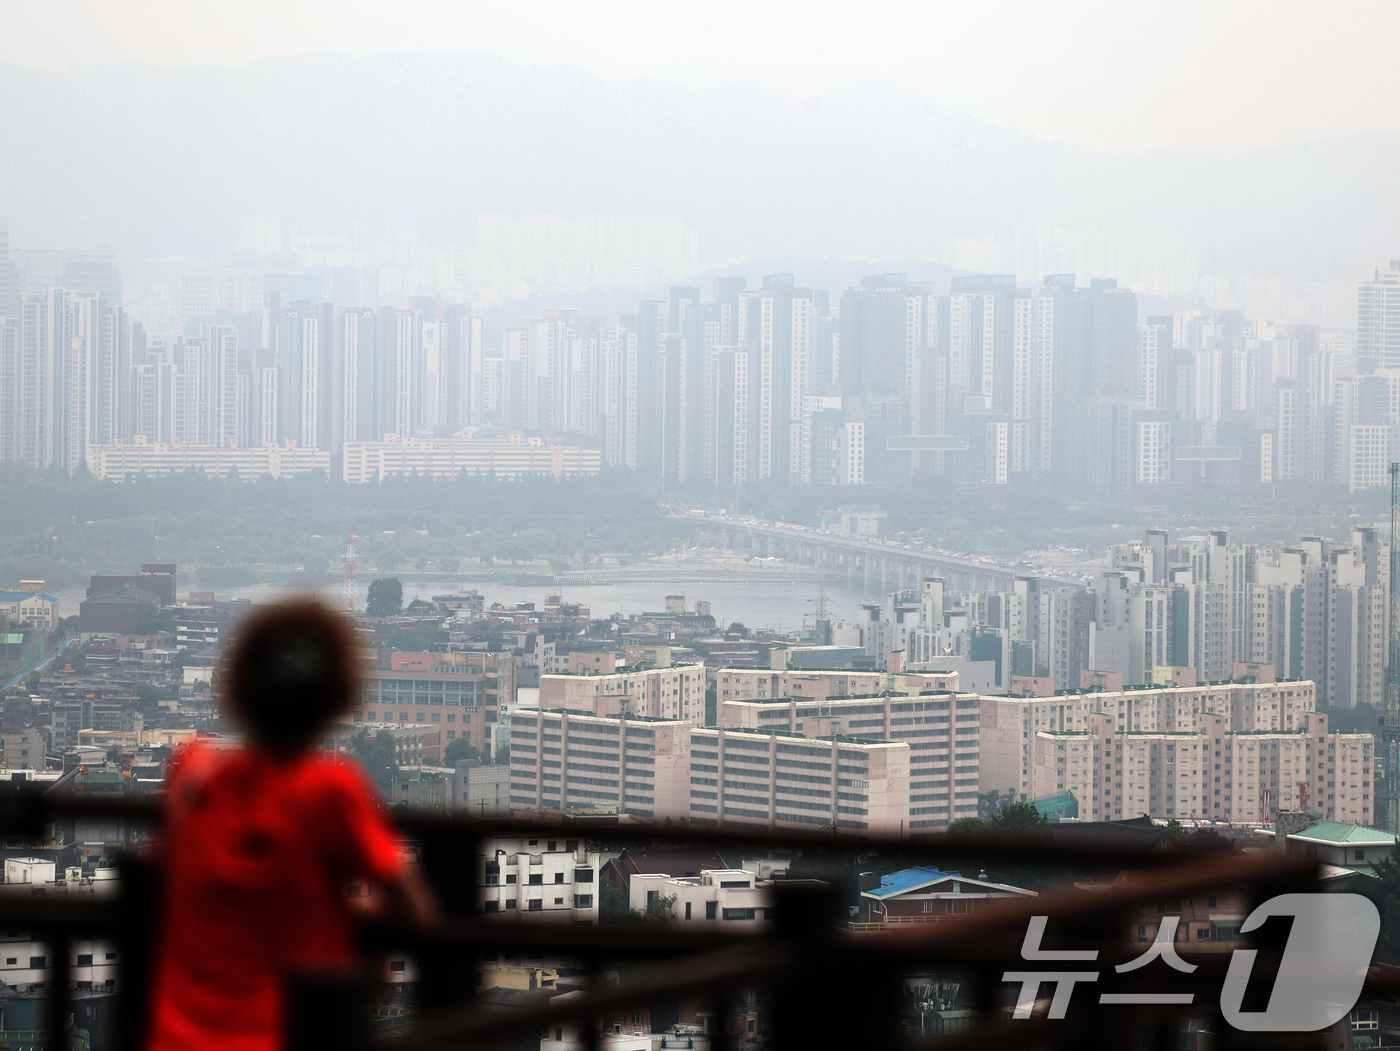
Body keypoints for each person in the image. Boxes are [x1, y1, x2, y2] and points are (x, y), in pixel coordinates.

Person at [146, 601, 438, 1051]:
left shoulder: (192, 773)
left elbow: (163, 875)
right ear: (336, 697)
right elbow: (417, 910)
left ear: (240, 687)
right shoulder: (328, 790)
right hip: (284, 1033)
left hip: (175, 1038)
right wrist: (344, 908)